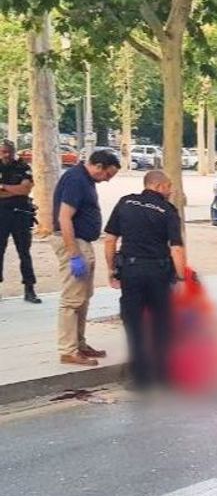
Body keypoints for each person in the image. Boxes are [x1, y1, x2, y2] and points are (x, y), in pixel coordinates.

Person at [103, 170, 186, 389]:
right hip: (158, 272)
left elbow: (110, 240)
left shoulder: (125, 202)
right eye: (168, 186)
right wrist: (181, 277)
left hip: (131, 270)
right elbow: (176, 248)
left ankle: (139, 378)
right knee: (161, 324)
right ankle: (163, 375)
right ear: (159, 186)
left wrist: (112, 269)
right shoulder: (168, 210)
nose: (170, 191)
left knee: (134, 325)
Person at [51, 149, 120, 366]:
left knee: (83, 297)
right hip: (74, 242)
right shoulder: (75, 180)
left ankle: (79, 343)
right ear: (98, 166)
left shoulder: (85, 180)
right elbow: (64, 217)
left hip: (83, 242)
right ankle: (68, 349)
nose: (107, 180)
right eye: (108, 175)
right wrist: (73, 254)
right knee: (72, 299)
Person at [0, 140, 40, 303]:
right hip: (2, 214)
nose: (6, 154)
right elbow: (20, 189)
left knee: (24, 252)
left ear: (14, 151)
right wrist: (16, 191)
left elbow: (26, 189)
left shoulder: (22, 167)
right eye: (3, 151)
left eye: (8, 151)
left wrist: (3, 187)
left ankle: (29, 289)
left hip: (21, 214)